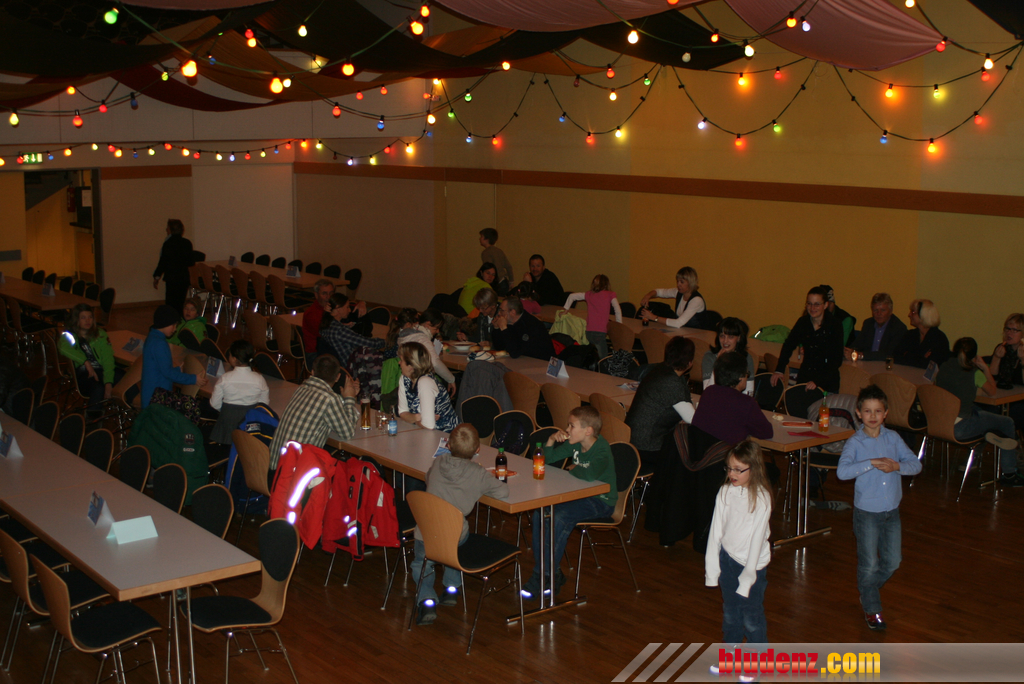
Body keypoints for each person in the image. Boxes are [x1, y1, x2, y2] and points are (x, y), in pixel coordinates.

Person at [836, 384, 923, 630]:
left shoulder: (893, 438)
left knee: (893, 561)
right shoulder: (855, 443)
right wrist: (871, 462)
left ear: (885, 413)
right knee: (869, 564)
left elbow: (916, 465)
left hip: (892, 512)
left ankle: (867, 590)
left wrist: (896, 467)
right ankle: (872, 608)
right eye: (867, 411)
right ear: (858, 413)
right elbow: (842, 472)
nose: (872, 416)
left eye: (877, 411)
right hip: (866, 514)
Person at [412, 422, 510, 625]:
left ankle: (426, 601)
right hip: (454, 536)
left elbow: (428, 478)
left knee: (421, 563)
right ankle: (451, 589)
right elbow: (503, 492)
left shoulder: (438, 462)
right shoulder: (478, 474)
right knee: (455, 539)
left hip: (425, 534)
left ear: (448, 445)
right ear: (477, 449)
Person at [521, 406, 617, 599]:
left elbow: (589, 475)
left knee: (559, 517)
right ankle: (551, 573)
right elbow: (546, 460)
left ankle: (542, 575)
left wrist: (573, 468)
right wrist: (550, 440)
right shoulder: (575, 443)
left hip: (601, 501)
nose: (566, 429)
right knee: (541, 513)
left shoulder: (602, 449)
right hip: (579, 496)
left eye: (571, 426)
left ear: (588, 431)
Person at [705, 440, 773, 649]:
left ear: (754, 468)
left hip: (752, 566)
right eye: (729, 468)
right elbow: (716, 531)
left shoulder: (761, 499)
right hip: (728, 560)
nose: (732, 474)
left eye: (738, 469)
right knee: (731, 614)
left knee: (751, 618)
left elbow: (757, 540)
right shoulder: (725, 492)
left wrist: (748, 576)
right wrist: (712, 569)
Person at [935, 337, 1022, 487]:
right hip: (960, 427)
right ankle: (1009, 474)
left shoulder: (943, 366)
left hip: (939, 422)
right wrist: (985, 369)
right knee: (1007, 422)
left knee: (979, 411)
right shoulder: (974, 373)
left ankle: (980, 446)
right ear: (974, 356)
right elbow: (992, 391)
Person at [267, 355, 360, 480]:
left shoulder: (301, 388)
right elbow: (347, 433)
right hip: (291, 477)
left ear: (312, 372)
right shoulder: (329, 398)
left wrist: (345, 399)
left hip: (273, 468)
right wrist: (350, 398)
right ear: (338, 377)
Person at [770, 286, 844, 420]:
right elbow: (788, 346)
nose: (812, 308)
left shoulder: (835, 325)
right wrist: (779, 370)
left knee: (821, 422)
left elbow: (836, 360)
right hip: (805, 379)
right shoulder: (803, 322)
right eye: (809, 304)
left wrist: (818, 381)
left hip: (827, 383)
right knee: (799, 418)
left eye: (817, 304)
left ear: (825, 305)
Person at [625, 337, 696, 468]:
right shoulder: (672, 382)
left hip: (631, 439)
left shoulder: (658, 369)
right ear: (690, 363)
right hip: (647, 447)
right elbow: (693, 419)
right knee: (692, 447)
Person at [693, 353, 773, 445]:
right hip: (726, 453)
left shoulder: (708, 392)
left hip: (699, 451)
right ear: (740, 377)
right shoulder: (746, 402)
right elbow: (767, 432)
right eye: (747, 374)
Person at [57, 303, 123, 414]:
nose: (87, 321)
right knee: (98, 388)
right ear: (76, 320)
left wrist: (108, 382)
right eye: (83, 318)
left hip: (101, 369)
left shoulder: (100, 334)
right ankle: (92, 419)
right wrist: (85, 362)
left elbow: (108, 359)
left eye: (90, 317)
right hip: (83, 373)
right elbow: (63, 348)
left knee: (124, 380)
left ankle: (137, 412)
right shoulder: (70, 335)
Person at [141, 305, 206, 409]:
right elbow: (168, 373)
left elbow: (161, 369)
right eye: (173, 325)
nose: (175, 329)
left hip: (152, 394)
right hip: (157, 399)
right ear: (165, 323)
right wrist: (193, 379)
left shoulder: (152, 338)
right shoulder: (160, 344)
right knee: (192, 409)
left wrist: (178, 370)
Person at [209, 340, 270, 445]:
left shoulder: (225, 378)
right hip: (250, 422)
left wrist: (227, 410)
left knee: (227, 450)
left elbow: (214, 403)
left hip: (228, 421)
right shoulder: (259, 379)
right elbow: (264, 404)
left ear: (234, 359)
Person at [398, 342, 458, 432]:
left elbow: (429, 425)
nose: (399, 363)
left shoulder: (425, 382)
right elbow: (402, 412)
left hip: (446, 435)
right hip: (424, 432)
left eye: (401, 360)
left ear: (411, 366)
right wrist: (418, 417)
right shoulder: (405, 379)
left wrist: (413, 420)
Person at [563, 274, 622, 359]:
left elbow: (572, 296)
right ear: (606, 284)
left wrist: (566, 309)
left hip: (589, 332)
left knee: (593, 353)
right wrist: (619, 325)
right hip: (600, 333)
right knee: (603, 357)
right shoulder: (610, 294)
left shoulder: (589, 294)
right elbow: (617, 310)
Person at [320, 292, 384, 369]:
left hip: (336, 367)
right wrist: (387, 342)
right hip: (351, 368)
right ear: (338, 309)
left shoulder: (326, 325)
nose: (349, 310)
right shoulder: (340, 331)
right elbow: (371, 344)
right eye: (347, 307)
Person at [397, 310, 456, 393]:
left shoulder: (406, 335)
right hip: (420, 380)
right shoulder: (422, 339)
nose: (438, 331)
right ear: (428, 324)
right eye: (436, 328)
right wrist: (451, 379)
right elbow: (435, 363)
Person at [985, 313, 1024, 433]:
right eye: (1007, 329)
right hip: (1002, 396)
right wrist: (996, 358)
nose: (1009, 333)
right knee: (988, 410)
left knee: (1014, 413)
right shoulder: (1001, 348)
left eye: (1014, 330)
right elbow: (993, 377)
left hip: (1020, 400)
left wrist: (1023, 361)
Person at [639, 267, 708, 329]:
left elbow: (678, 323)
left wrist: (653, 317)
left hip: (697, 335)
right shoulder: (678, 292)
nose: (678, 284)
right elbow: (659, 292)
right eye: (678, 281)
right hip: (682, 332)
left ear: (690, 283)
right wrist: (648, 296)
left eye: (682, 282)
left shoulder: (696, 300)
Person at [491, 295, 555, 360]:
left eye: (502, 310)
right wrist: (496, 328)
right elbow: (499, 347)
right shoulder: (510, 322)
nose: (499, 313)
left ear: (513, 312)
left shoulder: (530, 325)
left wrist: (504, 328)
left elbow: (514, 353)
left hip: (542, 362)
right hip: (525, 360)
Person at [848, 293, 907, 361]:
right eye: (875, 310)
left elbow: (889, 354)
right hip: (866, 364)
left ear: (890, 311)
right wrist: (849, 351)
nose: (879, 314)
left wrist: (860, 355)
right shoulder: (868, 323)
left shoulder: (899, 328)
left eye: (883, 310)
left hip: (887, 365)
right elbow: (857, 345)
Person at [152, 218, 195, 313]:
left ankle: (171, 319)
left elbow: (163, 262)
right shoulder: (187, 243)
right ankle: (180, 319)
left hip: (171, 277)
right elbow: (191, 262)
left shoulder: (168, 244)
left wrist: (157, 276)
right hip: (183, 277)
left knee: (171, 303)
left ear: (171, 230)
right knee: (180, 302)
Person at [891, 299, 949, 369]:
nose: (909, 315)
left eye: (913, 312)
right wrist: (922, 357)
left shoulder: (939, 339)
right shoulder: (910, 335)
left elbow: (931, 367)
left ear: (923, 315)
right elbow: (896, 357)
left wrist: (909, 356)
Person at [701, 317, 755, 391]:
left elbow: (749, 391)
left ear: (739, 338)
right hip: (716, 397)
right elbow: (707, 391)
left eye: (730, 337)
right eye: (722, 336)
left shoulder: (746, 358)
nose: (725, 341)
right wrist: (718, 365)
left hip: (737, 397)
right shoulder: (710, 356)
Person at [302, 279, 336, 364]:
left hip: (329, 350)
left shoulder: (333, 306)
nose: (328, 297)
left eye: (331, 293)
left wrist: (362, 303)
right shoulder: (311, 314)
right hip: (316, 355)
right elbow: (326, 335)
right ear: (316, 295)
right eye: (324, 293)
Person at [479, 228, 515, 295]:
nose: (480, 238)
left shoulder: (486, 253)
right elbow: (509, 267)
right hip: (504, 282)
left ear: (487, 239)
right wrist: (511, 281)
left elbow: (488, 269)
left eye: (481, 236)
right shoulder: (499, 251)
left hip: (496, 284)